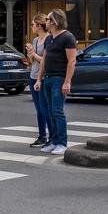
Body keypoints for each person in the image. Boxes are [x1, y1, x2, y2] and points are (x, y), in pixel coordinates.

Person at [33, 9, 77, 155]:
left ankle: (62, 143)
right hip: (48, 78)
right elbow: (44, 60)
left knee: (57, 111)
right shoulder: (49, 38)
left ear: (55, 22)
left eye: (48, 19)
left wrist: (67, 81)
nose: (46, 22)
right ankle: (53, 140)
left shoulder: (67, 37)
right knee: (50, 111)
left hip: (59, 78)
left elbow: (72, 61)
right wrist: (39, 79)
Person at [24, 16, 51, 148]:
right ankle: (42, 136)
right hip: (33, 75)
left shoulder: (48, 39)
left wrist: (34, 55)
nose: (31, 26)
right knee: (39, 110)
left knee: (45, 108)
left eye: (32, 24)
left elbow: (46, 61)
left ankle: (51, 136)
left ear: (39, 26)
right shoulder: (35, 40)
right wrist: (30, 55)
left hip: (44, 77)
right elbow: (32, 61)